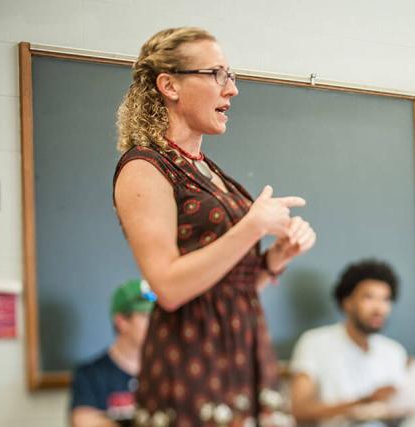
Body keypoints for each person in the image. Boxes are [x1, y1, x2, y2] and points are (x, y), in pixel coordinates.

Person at [113, 27, 316, 426]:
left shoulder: (204, 169)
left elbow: (224, 288)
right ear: (169, 85)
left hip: (241, 351)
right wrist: (254, 226)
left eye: (231, 75)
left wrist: (273, 261)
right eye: (216, 74)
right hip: (191, 361)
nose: (232, 89)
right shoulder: (144, 167)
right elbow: (168, 288)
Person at [289, 259, 407, 427]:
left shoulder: (394, 352)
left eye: (385, 299)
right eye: (369, 297)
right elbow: (300, 410)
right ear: (347, 302)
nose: (379, 308)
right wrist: (364, 402)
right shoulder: (314, 343)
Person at [70, 279, 154, 427]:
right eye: (146, 316)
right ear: (121, 321)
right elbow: (83, 421)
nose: (154, 323)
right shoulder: (90, 374)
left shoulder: (166, 371)